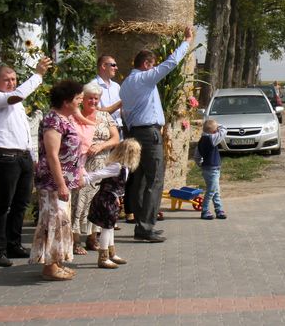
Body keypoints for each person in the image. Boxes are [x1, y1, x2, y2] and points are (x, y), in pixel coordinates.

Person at [119, 26, 194, 243]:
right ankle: (146, 226)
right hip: (149, 133)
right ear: (146, 65)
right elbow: (170, 64)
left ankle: (141, 224)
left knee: (140, 180)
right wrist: (186, 42)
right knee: (154, 180)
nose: (154, 69)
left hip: (134, 133)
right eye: (152, 65)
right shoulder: (144, 78)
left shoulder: (125, 84)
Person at [0, 56, 52, 268]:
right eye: (7, 79)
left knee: (21, 204)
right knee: (2, 205)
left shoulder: (17, 104)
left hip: (21, 157)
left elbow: (23, 133)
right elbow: (15, 96)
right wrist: (38, 75)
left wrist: (32, 158)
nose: (11, 82)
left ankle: (14, 243)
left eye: (14, 79)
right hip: (4, 157)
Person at [29, 80, 84, 281]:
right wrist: (61, 183)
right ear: (66, 101)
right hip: (52, 182)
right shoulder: (53, 120)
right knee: (52, 221)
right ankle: (49, 266)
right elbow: (52, 155)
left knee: (61, 222)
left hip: (62, 181)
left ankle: (57, 261)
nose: (80, 102)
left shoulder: (64, 118)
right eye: (77, 98)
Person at [70, 81, 120, 255]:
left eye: (96, 99)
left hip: (102, 163)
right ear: (83, 99)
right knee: (79, 201)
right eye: (90, 98)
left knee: (96, 201)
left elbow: (116, 139)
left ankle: (92, 238)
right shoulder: (74, 116)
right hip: (81, 163)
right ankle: (75, 240)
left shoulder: (105, 117)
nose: (93, 102)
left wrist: (101, 146)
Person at [83, 138, 142, 269]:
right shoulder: (117, 167)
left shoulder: (124, 168)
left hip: (112, 199)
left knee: (110, 228)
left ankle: (111, 253)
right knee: (107, 228)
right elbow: (98, 174)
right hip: (105, 200)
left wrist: (119, 196)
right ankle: (103, 257)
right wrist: (84, 179)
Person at [193, 118, 228, 220]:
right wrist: (218, 126)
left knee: (216, 190)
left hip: (207, 169)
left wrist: (201, 165)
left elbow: (196, 156)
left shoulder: (201, 141)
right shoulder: (212, 138)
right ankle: (204, 211)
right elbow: (224, 130)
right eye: (216, 129)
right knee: (211, 191)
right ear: (214, 131)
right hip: (213, 169)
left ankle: (219, 210)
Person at [94, 55, 123, 132]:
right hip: (104, 131)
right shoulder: (93, 86)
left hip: (119, 129)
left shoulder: (116, 86)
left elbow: (120, 111)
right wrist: (121, 103)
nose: (116, 68)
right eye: (113, 65)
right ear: (104, 66)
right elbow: (97, 112)